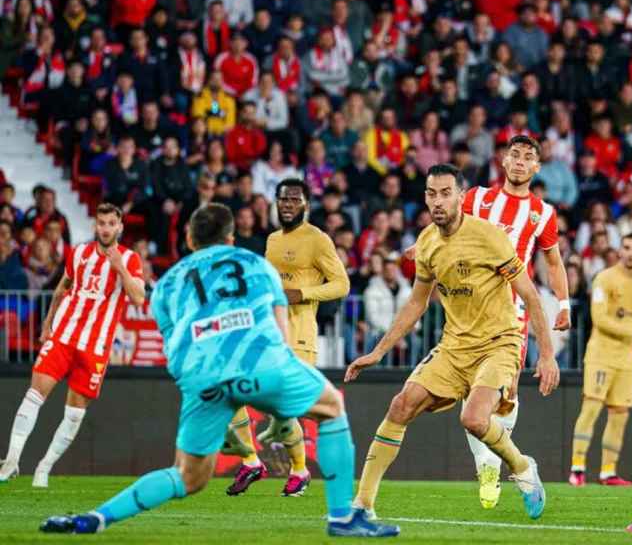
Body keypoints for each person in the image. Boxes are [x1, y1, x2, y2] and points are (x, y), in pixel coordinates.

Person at [39, 204, 398, 538]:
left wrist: (199, 388)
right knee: (332, 407)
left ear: (190, 240)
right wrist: (280, 409)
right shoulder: (257, 264)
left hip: (202, 376)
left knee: (187, 476)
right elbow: (279, 333)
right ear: (230, 239)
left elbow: (172, 343)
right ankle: (341, 518)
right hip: (264, 362)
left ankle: (95, 519)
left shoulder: (167, 283)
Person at [345, 164, 559, 521]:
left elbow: (531, 296)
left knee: (473, 418)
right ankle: (363, 506)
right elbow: (416, 302)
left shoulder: (489, 236)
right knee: (400, 406)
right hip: (454, 346)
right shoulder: (427, 242)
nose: (438, 201)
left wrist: (547, 355)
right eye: (432, 194)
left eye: (446, 193)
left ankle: (523, 467)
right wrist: (378, 351)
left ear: (462, 196)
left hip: (499, 342)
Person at [459, 135, 571, 508]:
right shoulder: (476, 199)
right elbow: (449, 233)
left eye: (528, 158)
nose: (521, 162)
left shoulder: (543, 213)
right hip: (470, 311)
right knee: (471, 396)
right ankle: (490, 464)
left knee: (505, 395)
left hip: (513, 313)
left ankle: (493, 463)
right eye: (515, 155)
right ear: (504, 161)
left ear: (537, 167)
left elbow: (553, 263)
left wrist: (564, 304)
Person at [0, 205, 146, 486]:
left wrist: (119, 269)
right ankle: (12, 461)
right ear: (95, 226)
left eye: (110, 223)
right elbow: (62, 287)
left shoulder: (129, 258)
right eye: (101, 222)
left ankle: (44, 467)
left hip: (95, 346)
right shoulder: (78, 253)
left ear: (120, 227)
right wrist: (47, 323)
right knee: (34, 395)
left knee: (75, 414)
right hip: (63, 337)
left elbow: (139, 299)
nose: (105, 228)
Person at [222, 179, 350, 498]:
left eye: (294, 199)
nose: (288, 204)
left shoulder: (318, 240)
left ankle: (299, 470)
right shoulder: (272, 240)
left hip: (299, 338)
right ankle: (252, 462)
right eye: (283, 199)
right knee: (230, 391)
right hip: (269, 334)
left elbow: (342, 284)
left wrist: (302, 293)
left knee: (283, 412)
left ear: (306, 203)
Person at [569, 234, 632, 487]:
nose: (631, 253)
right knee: (591, 408)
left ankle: (608, 472)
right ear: (620, 251)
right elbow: (599, 318)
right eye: (626, 248)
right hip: (601, 355)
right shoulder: (604, 278)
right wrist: (631, 333)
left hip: (626, 359)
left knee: (619, 414)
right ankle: (577, 468)